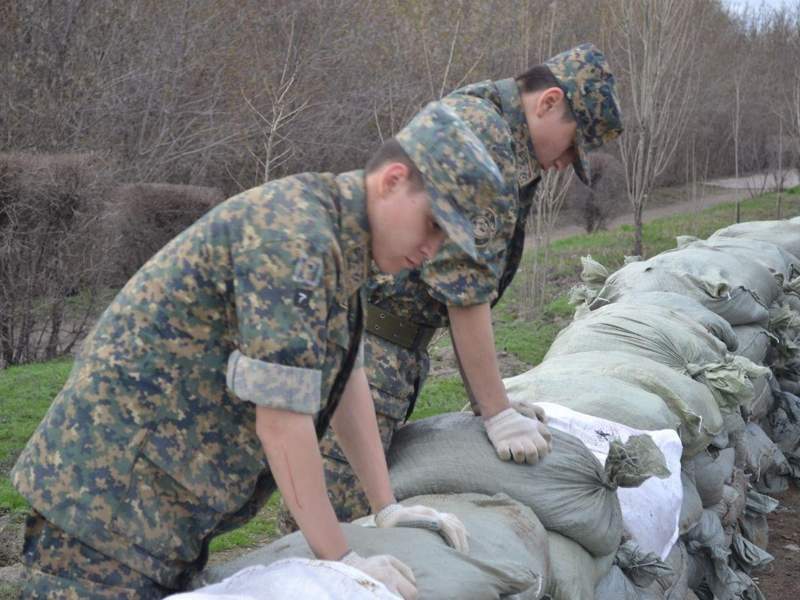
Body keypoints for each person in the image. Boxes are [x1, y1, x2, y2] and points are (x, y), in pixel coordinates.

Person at [10, 103, 504, 600]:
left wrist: (386, 505)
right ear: (393, 180)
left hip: (154, 511)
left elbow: (343, 373)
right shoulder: (294, 238)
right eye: (434, 224)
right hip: (104, 511)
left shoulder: (340, 239)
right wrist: (343, 561)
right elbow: (281, 422)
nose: (432, 250)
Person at [316, 43, 625, 523]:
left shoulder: (500, 132)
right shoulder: (481, 136)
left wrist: (493, 402)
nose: (566, 162)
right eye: (571, 144)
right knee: (335, 520)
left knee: (354, 514)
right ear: (548, 102)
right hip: (368, 347)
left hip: (389, 349)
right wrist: (496, 410)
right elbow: (465, 289)